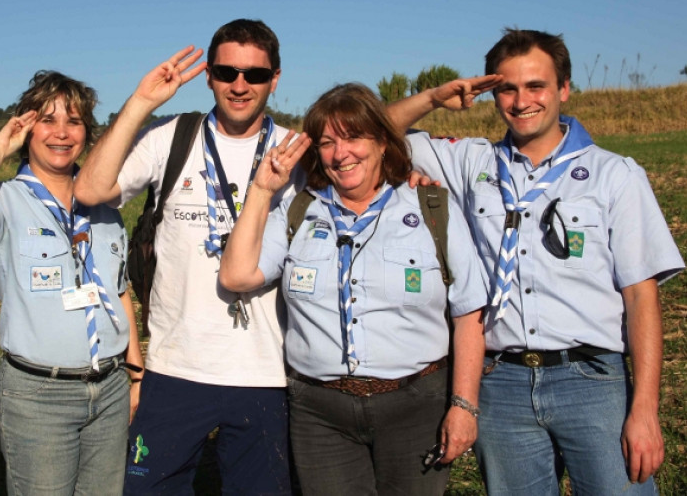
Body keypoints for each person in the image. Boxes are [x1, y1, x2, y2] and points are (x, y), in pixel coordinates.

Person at [394, 28, 685, 494]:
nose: (521, 100)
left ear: (564, 89)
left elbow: (640, 296)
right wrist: (432, 97)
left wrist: (645, 409)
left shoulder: (615, 174)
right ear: (492, 94)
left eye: (536, 86)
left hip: (592, 379)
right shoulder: (473, 161)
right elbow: (365, 133)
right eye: (507, 88)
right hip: (502, 383)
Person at [218, 82, 489, 494]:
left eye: (353, 137)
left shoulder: (431, 207)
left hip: (416, 407)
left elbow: (469, 314)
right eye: (327, 142)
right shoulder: (299, 210)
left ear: (383, 141)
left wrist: (464, 406)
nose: (340, 153)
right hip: (320, 414)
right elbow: (236, 276)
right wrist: (261, 190)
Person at [74, 19, 300, 494]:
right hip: (175, 368)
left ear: (275, 79)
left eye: (255, 75)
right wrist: (141, 103)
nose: (240, 86)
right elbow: (92, 189)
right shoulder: (171, 136)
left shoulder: (297, 150)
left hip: (265, 372)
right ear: (209, 76)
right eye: (226, 72)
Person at [0, 70, 142, 496]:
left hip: (108, 387)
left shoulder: (104, 207)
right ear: (26, 128)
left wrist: (136, 373)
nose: (62, 133)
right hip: (39, 394)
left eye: (74, 122)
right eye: (48, 120)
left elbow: (118, 291)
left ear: (88, 134)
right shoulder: (5, 199)